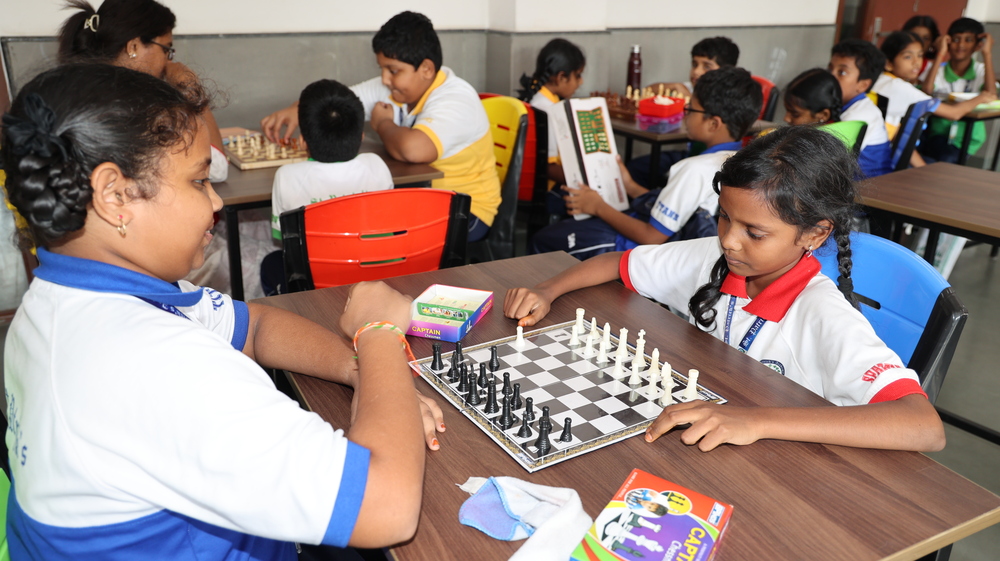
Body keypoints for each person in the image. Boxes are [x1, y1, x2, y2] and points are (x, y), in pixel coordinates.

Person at [1, 63, 445, 560]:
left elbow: (255, 324)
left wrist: (362, 374)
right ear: (114, 195)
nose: (216, 201)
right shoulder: (151, 363)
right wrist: (378, 332)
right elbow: (386, 508)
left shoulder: (60, 299)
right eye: (198, 181)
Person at [504, 126, 945, 453]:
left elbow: (923, 426)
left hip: (786, 465)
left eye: (754, 232)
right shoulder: (714, 259)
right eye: (724, 217)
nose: (729, 240)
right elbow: (617, 263)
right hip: (712, 431)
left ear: (815, 234)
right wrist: (548, 289)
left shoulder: (822, 313)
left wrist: (758, 421)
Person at [261, 12, 499, 242]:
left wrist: (382, 123)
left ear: (426, 69)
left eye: (393, 71)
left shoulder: (456, 98)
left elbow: (413, 150)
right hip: (415, 196)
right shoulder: (394, 86)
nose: (385, 79)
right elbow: (339, 103)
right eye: (382, 69)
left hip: (464, 211)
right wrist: (296, 109)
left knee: (352, 229)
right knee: (347, 225)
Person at [529, 68, 761, 260]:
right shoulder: (738, 161)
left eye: (689, 109)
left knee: (544, 240)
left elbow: (651, 236)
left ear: (713, 123)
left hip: (635, 249)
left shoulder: (695, 169)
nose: (684, 115)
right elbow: (680, 209)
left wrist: (597, 206)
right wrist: (630, 186)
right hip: (661, 241)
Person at [57, 0, 228, 183]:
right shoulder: (136, 104)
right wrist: (190, 87)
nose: (168, 61)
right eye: (166, 49)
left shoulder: (75, 88)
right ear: (133, 47)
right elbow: (215, 168)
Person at [270, 79, 393, 240]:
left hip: (315, 258)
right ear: (362, 137)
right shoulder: (377, 166)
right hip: (378, 256)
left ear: (302, 142)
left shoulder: (286, 176)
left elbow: (283, 237)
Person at [628, 37, 741, 187]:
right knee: (636, 167)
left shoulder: (730, 99)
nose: (696, 71)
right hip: (689, 153)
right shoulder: (692, 86)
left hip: (712, 159)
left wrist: (692, 103)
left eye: (706, 66)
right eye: (694, 64)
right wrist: (676, 86)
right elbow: (647, 90)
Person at [873, 31, 994, 143]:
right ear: (888, 63)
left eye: (920, 55)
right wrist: (981, 98)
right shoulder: (899, 87)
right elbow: (954, 113)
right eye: (908, 57)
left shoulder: (881, 79)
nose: (916, 62)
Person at [918, 17, 997, 164]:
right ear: (947, 42)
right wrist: (940, 53)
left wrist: (987, 54)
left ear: (978, 45)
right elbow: (926, 91)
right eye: (955, 40)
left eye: (968, 40)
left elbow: (991, 94)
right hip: (938, 133)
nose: (961, 45)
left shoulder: (981, 69)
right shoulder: (938, 70)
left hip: (968, 135)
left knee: (945, 161)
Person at [516, 38, 586, 198]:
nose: (581, 82)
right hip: (548, 192)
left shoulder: (535, 97)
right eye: (578, 75)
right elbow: (548, 167)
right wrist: (583, 182)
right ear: (561, 77)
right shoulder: (547, 110)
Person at [828, 39, 892, 177]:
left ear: (862, 85)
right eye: (830, 69)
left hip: (869, 185)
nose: (830, 77)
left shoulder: (860, 116)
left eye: (842, 72)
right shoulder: (846, 105)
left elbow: (827, 160)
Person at [902, 15, 942, 81]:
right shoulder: (895, 64)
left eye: (926, 38)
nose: (920, 42)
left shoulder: (933, 70)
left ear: (932, 42)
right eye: (915, 36)